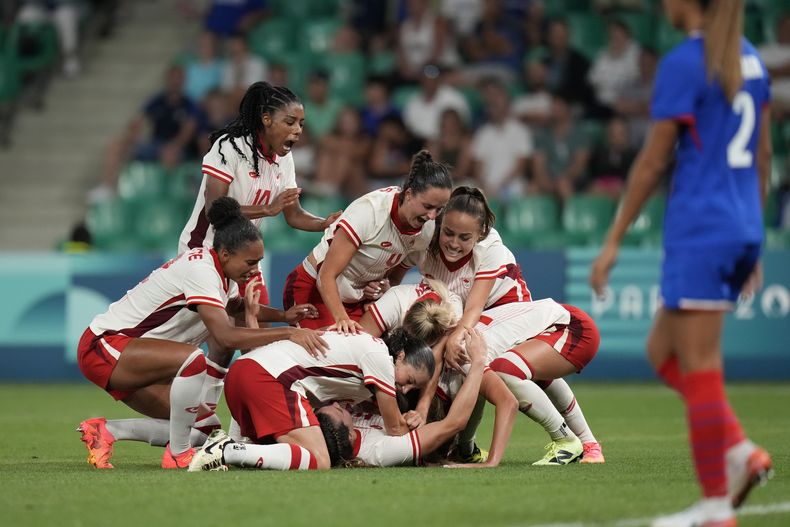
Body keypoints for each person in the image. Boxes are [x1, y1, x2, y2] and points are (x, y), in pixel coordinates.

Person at [589, 1, 773, 525]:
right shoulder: (750, 59)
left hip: (701, 230)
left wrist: (612, 241)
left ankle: (716, 506)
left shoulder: (685, 62)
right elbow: (762, 157)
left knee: (700, 368)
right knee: (660, 351)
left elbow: (652, 162)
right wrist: (753, 235)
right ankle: (739, 450)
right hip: (736, 225)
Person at [76, 198, 327, 470]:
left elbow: (233, 306)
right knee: (194, 359)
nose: (255, 270)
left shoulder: (224, 274)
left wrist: (282, 316)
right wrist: (288, 333)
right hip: (105, 346)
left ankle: (107, 431)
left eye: (259, 262)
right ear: (226, 254)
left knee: (206, 429)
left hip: (141, 358)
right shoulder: (201, 269)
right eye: (251, 262)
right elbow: (225, 336)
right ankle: (178, 454)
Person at [416, 187, 602, 464]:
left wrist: (455, 338)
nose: (454, 243)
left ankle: (574, 441)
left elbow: (475, 306)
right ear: (440, 223)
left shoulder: (489, 246)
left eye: (464, 237)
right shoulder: (426, 243)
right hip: (473, 316)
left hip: (504, 306)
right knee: (483, 369)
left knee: (489, 365)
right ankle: (467, 448)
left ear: (479, 234)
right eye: (449, 233)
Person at [179, 81, 341, 308]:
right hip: (206, 251)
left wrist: (325, 223)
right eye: (290, 122)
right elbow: (213, 209)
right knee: (219, 336)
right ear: (267, 120)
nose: (298, 130)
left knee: (259, 325)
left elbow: (294, 215)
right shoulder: (229, 146)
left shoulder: (284, 159)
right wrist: (266, 209)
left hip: (246, 256)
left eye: (301, 124)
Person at [187, 328, 436, 471]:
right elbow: (395, 429)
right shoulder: (381, 357)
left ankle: (226, 444)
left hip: (243, 373)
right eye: (411, 380)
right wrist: (417, 420)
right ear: (400, 356)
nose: (405, 389)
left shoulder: (366, 356)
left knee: (269, 452)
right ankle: (226, 450)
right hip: (268, 378)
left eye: (413, 388)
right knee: (319, 458)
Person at [283, 150, 453, 332]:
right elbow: (326, 276)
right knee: (333, 353)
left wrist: (381, 289)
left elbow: (393, 279)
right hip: (313, 291)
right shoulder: (370, 212)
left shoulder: (426, 230)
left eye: (439, 209)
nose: (432, 216)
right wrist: (342, 321)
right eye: (427, 206)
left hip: (356, 301)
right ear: (409, 194)